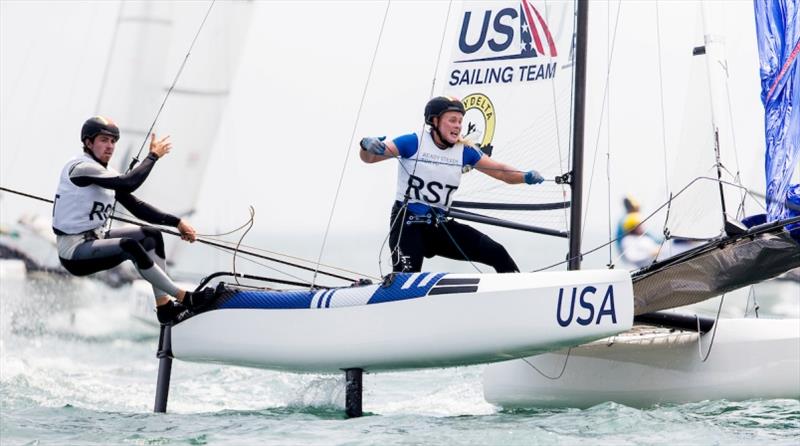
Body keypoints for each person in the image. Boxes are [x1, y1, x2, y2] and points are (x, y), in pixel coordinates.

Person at [52, 116, 217, 324]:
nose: (110, 146)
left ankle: (164, 307)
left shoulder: (105, 173)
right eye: (104, 140)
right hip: (74, 252)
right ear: (88, 142)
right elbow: (129, 182)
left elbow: (137, 208)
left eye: (113, 141)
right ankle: (186, 297)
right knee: (129, 246)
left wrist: (177, 223)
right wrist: (153, 156)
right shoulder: (81, 167)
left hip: (96, 239)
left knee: (151, 236)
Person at [359, 96, 545, 273]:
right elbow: (371, 158)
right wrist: (366, 146)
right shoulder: (414, 142)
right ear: (435, 121)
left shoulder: (465, 151)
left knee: (497, 252)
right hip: (407, 226)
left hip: (439, 226)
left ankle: (511, 298)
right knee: (406, 277)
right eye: (452, 120)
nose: (458, 126)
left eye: (460, 121)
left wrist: (525, 177)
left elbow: (500, 171)